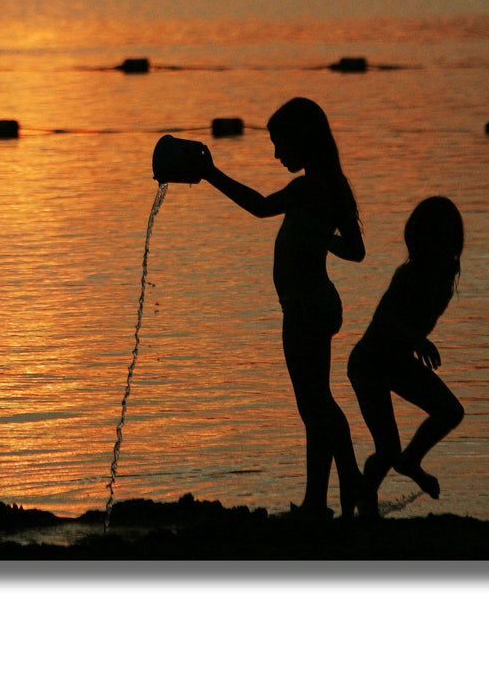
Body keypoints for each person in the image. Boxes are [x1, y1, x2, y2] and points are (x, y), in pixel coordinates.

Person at [197, 97, 365, 520]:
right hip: (318, 302)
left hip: (305, 307)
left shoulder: (308, 187)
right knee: (320, 404)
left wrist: (211, 173)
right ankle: (339, 494)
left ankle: (328, 498)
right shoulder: (333, 185)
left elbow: (257, 206)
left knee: (314, 407)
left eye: (280, 144)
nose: (276, 154)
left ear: (302, 141)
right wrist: (321, 237)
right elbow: (357, 250)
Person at [348, 196, 465, 517]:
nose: (443, 245)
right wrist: (418, 341)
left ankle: (411, 460)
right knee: (386, 448)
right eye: (436, 237)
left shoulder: (445, 275)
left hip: (397, 363)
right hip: (369, 364)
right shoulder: (409, 275)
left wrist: (416, 343)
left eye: (448, 237)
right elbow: (384, 320)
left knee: (451, 412)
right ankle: (365, 501)